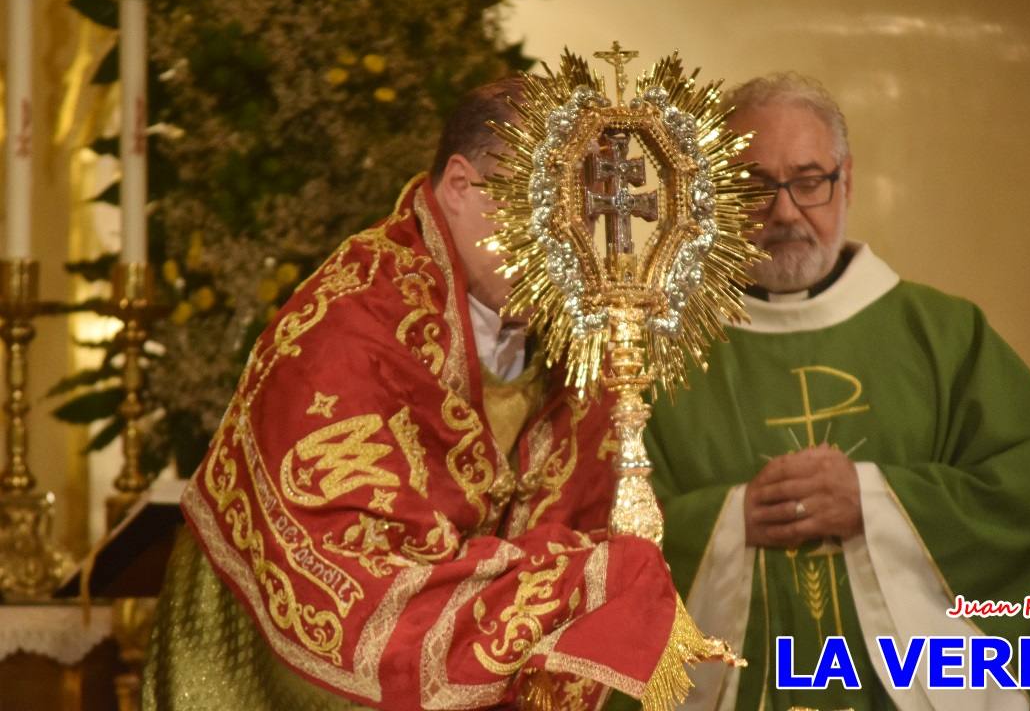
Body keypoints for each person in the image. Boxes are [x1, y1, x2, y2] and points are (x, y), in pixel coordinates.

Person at [142, 76, 723, 710]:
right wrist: (571, 579)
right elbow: (356, 607)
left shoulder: (576, 347)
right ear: (459, 187)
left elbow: (586, 524)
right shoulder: (351, 328)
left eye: (585, 221)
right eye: (547, 220)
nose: (572, 255)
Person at [631, 73, 1030, 710]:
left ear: (847, 182)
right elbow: (595, 537)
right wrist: (729, 522)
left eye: (808, 180)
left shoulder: (942, 335)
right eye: (754, 187)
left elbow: (1020, 501)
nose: (785, 212)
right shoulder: (653, 352)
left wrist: (875, 500)